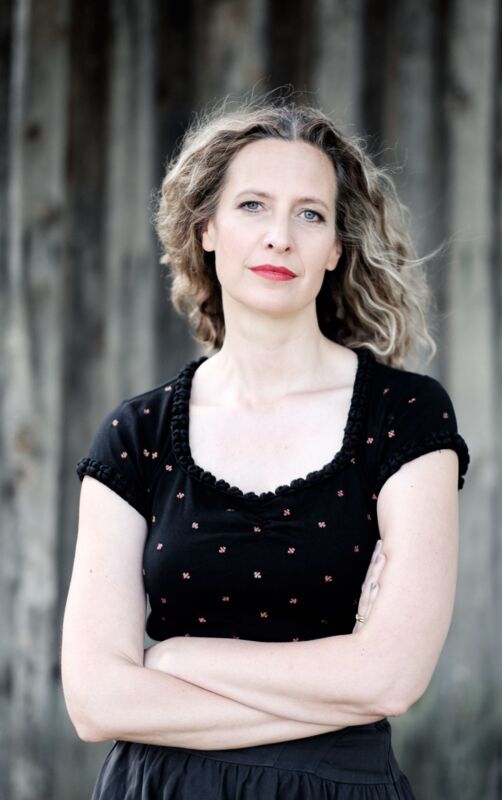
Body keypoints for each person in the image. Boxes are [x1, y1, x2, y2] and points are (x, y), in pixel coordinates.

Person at [61, 93, 470, 799]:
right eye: (252, 206)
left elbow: (393, 678)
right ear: (207, 228)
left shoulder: (405, 416)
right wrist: (338, 686)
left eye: (309, 214)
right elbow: (96, 702)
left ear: (335, 248)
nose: (280, 236)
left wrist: (176, 659)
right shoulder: (136, 435)